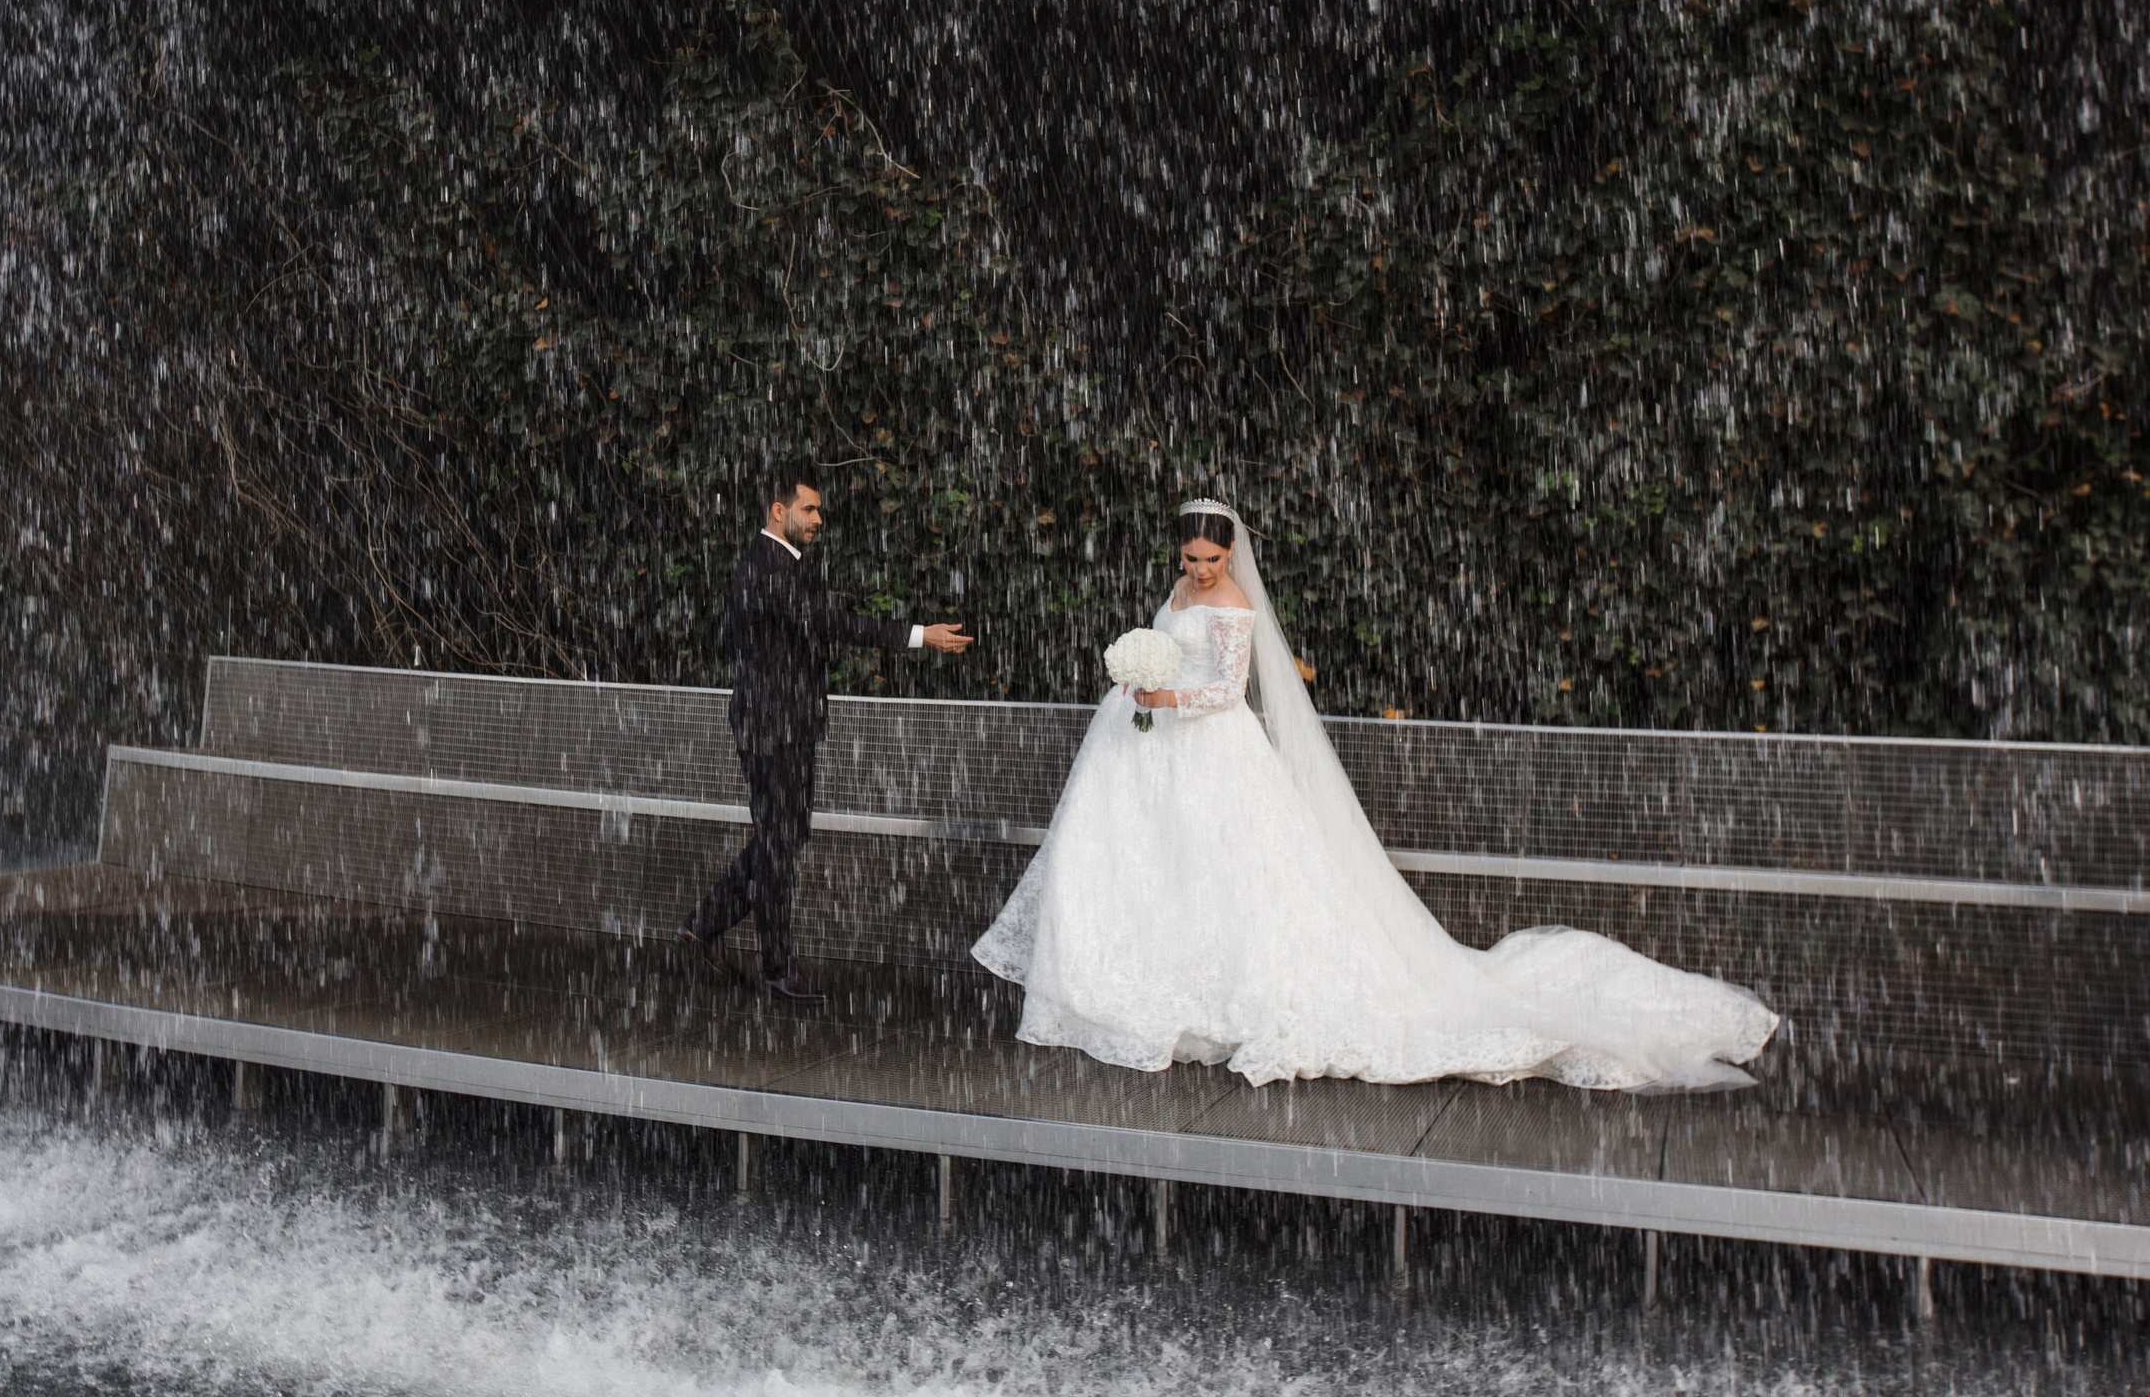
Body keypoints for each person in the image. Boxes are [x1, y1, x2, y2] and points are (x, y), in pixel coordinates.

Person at [972, 499, 1779, 1089]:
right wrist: (1138, 681)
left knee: (1227, 878)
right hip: (1147, 752)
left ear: (1229, 558)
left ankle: (1219, 1000)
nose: (1195, 573)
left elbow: (1225, 691)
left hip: (1207, 747)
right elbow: (1164, 646)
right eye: (1187, 562)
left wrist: (1164, 698)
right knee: (1147, 872)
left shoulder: (1233, 606)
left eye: (1208, 562)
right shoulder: (1182, 594)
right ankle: (1132, 992)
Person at [679, 465, 972, 1001]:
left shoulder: (774, 563)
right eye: (809, 509)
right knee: (778, 845)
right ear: (778, 510)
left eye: (818, 510)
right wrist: (916, 635)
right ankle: (775, 967)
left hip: (779, 724)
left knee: (779, 843)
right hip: (773, 729)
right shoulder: (767, 566)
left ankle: (705, 926)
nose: (818, 518)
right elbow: (829, 622)